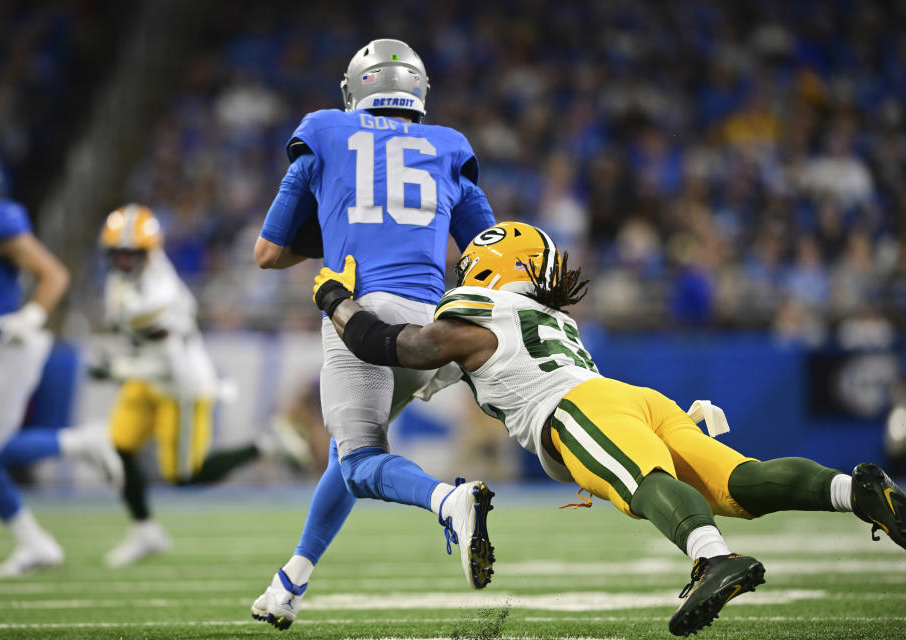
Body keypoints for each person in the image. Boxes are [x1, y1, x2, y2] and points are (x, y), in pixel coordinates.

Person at [312, 220, 906, 637]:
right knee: (740, 483)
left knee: (642, 484)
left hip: (576, 408)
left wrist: (336, 299)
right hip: (630, 398)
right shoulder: (544, 311)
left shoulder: (477, 313)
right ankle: (855, 490)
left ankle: (713, 559)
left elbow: (391, 344)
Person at [251, 39, 498, 628]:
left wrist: (343, 232)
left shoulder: (324, 131)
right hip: (431, 330)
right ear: (417, 92)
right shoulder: (449, 146)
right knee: (349, 452)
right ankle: (290, 582)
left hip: (360, 316)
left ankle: (448, 501)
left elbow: (267, 252)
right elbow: (492, 253)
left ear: (354, 89)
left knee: (361, 459)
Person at [94, 203, 311, 567]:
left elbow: (169, 361)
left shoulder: (156, 298)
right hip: (145, 374)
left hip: (179, 383)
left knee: (182, 475)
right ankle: (145, 531)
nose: (125, 261)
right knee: (121, 445)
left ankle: (266, 443)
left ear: (148, 252)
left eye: (132, 254)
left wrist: (117, 369)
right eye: (119, 253)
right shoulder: (127, 280)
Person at [0, 131, 122, 577]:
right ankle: (35, 543)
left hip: (8, 344)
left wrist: (31, 316)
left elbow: (53, 275)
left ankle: (82, 441)